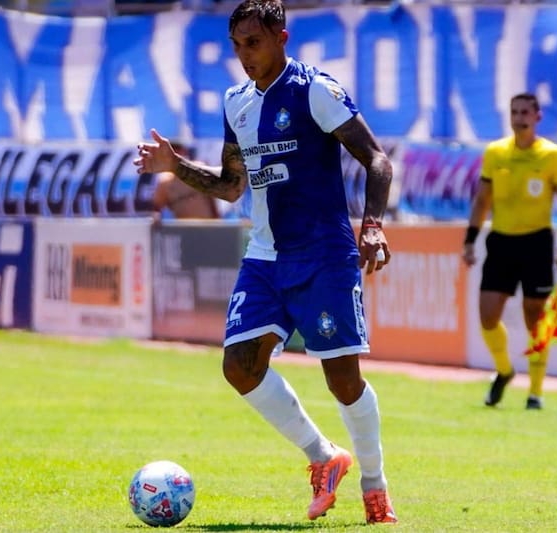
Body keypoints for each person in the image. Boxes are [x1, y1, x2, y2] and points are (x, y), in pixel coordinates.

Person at [134, 0, 397, 524]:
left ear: (281, 36)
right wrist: (175, 165)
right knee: (239, 365)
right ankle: (324, 459)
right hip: (266, 255)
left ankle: (375, 485)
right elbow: (232, 186)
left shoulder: (315, 90)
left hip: (323, 257)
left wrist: (372, 223)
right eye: (236, 47)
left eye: (252, 43)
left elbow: (377, 159)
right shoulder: (236, 102)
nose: (243, 56)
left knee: (343, 380)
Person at [462, 92, 557, 411]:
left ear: (538, 116)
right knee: (487, 316)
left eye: (526, 112)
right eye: (514, 112)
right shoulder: (495, 152)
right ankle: (504, 370)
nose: (519, 117)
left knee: (535, 317)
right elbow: (482, 200)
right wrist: (470, 240)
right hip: (500, 242)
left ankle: (536, 393)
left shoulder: (553, 155)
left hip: (537, 243)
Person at [151, 141, 220, 220]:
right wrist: (156, 216)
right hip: (184, 230)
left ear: (184, 151)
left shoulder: (199, 169)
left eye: (177, 149)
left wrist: (218, 225)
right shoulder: (164, 182)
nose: (174, 154)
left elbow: (212, 202)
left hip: (208, 227)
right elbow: (156, 208)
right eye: (170, 151)